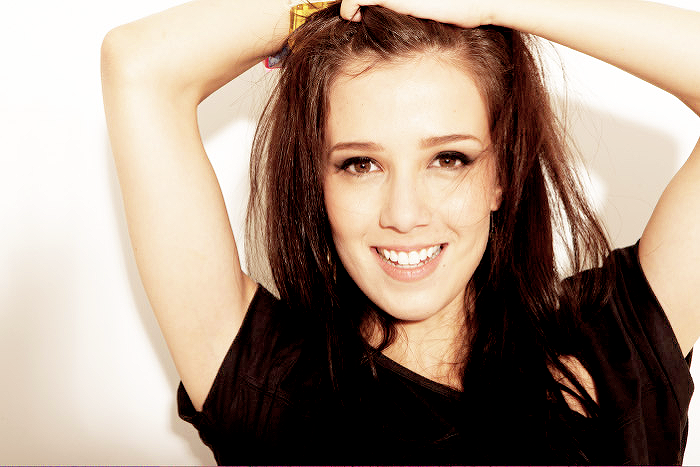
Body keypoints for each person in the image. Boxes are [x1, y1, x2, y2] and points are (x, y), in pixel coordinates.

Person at [101, 0, 700, 463]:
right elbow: (140, 65)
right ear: (319, 185)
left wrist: (497, 4)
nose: (405, 214)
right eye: (360, 164)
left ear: (501, 176)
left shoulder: (614, 348)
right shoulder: (271, 386)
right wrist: (329, 2)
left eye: (449, 159)